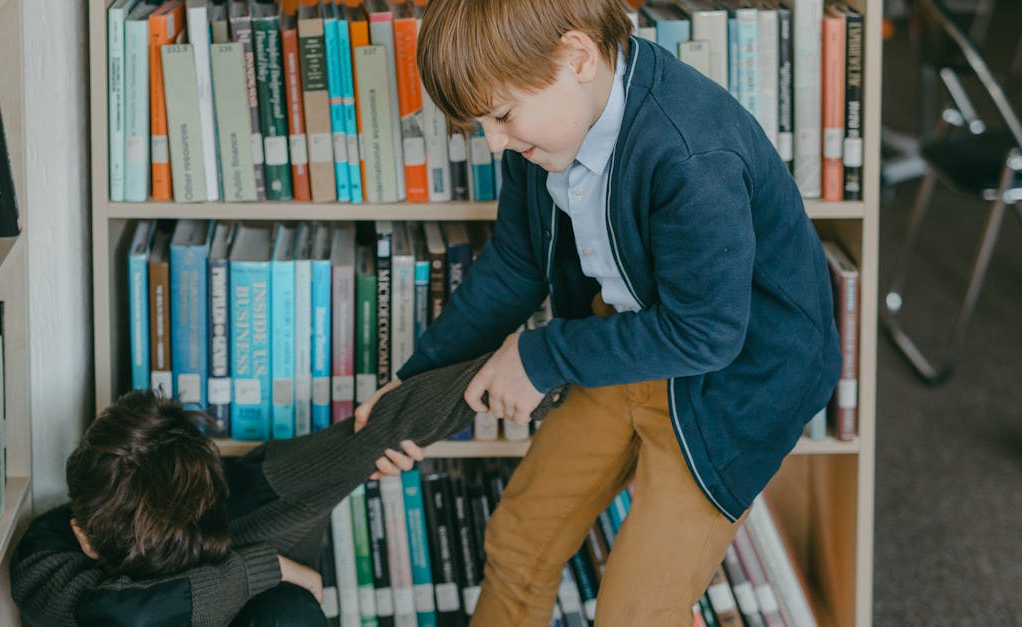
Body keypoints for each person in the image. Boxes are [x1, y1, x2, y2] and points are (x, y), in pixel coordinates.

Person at [353, 0, 842, 625]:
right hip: (628, 340)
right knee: (518, 541)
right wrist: (415, 384)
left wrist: (539, 359)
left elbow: (707, 333)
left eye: (501, 117)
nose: (496, 142)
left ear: (578, 57)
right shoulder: (546, 131)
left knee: (636, 611)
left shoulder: (691, 155)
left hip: (733, 382)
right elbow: (515, 264)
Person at [10, 355, 563, 626]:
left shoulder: (263, 489)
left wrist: (539, 373)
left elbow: (390, 424)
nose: (70, 520)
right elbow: (123, 617)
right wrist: (261, 568)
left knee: (290, 611)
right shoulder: (51, 555)